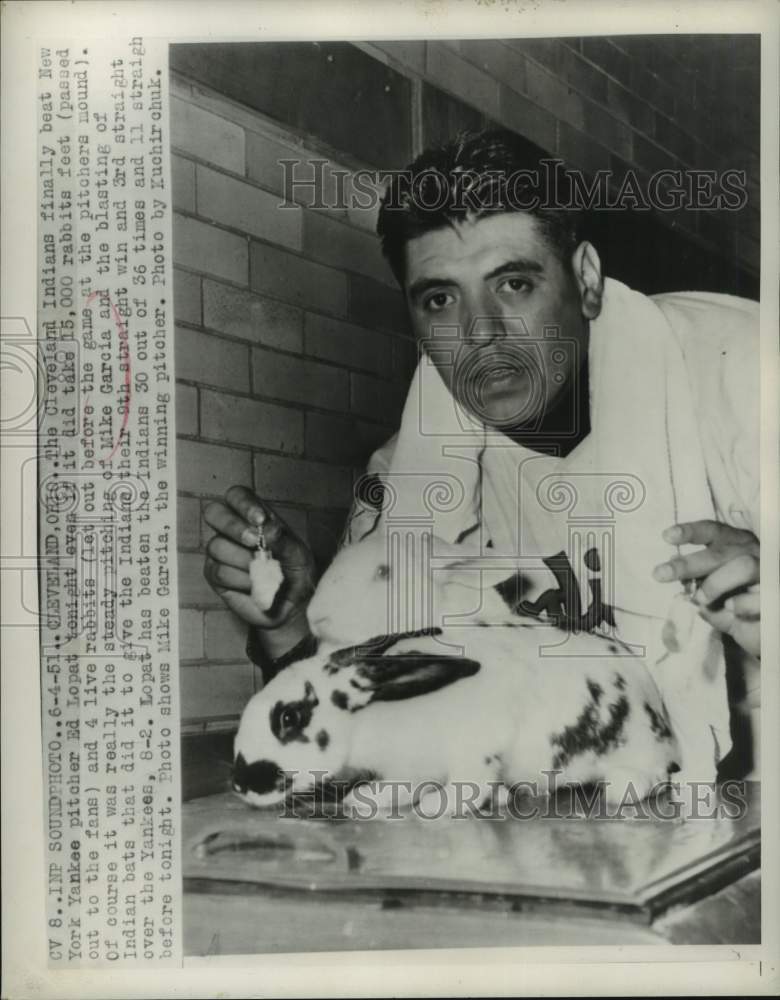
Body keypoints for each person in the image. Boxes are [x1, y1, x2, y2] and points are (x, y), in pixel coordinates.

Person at [203, 130, 760, 776]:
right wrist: (287, 624)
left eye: (515, 284)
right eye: (441, 299)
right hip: (605, 827)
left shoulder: (744, 384)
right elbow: (368, 723)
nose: (480, 333)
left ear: (585, 279)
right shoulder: (416, 478)